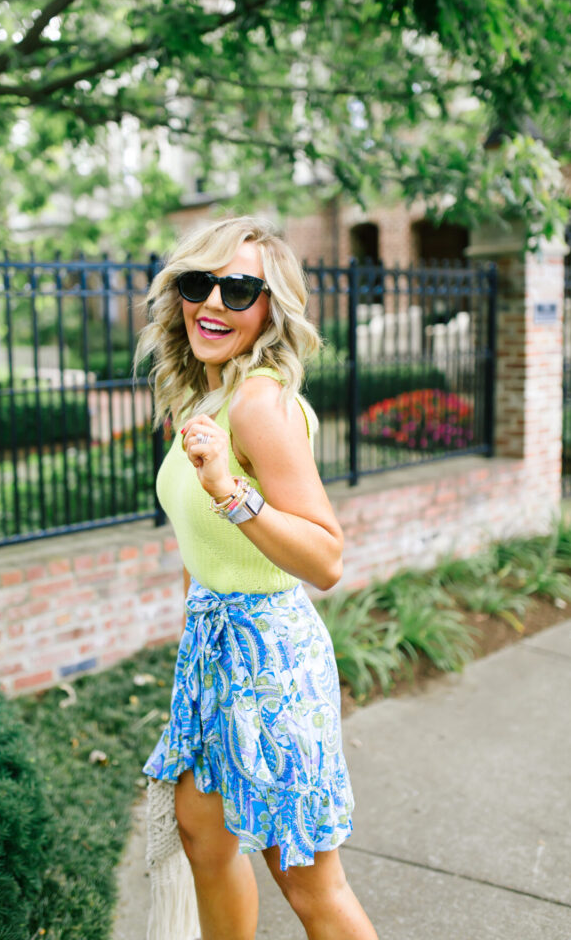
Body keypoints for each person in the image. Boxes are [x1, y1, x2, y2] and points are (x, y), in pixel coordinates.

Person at [138, 216, 378, 940]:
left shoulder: (257, 403)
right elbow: (201, 551)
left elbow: (325, 558)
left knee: (308, 883)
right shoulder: (202, 398)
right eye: (196, 283)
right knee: (204, 839)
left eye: (239, 288)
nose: (213, 302)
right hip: (214, 655)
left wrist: (230, 492)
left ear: (270, 308)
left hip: (269, 662)